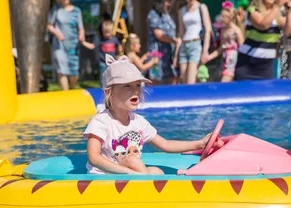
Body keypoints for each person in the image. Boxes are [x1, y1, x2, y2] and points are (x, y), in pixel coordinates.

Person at [84, 55, 223, 175]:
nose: (136, 91)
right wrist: (130, 172)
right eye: (127, 86)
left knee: (156, 171)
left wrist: (200, 144)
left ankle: (149, 186)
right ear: (109, 93)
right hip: (104, 177)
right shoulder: (101, 122)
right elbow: (93, 157)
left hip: (130, 174)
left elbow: (166, 144)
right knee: (132, 159)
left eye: (138, 85)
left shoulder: (138, 122)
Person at [235, 0, 291, 81]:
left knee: (265, 92)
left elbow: (288, 31)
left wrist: (289, 13)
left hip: (266, 64)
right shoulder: (253, 10)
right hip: (248, 62)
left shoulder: (278, 14)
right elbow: (263, 25)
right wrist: (276, 7)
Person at [47, 0, 95, 91]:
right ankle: (65, 93)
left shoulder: (77, 11)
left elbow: (81, 28)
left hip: (73, 45)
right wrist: (57, 33)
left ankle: (72, 89)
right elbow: (49, 26)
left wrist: (81, 34)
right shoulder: (56, 10)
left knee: (74, 72)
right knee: (62, 70)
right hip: (59, 45)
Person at [175, 0, 213, 84]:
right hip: (184, 45)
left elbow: (208, 30)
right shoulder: (182, 10)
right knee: (183, 79)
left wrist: (205, 51)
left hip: (196, 43)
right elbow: (180, 34)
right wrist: (176, 54)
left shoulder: (202, 7)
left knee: (191, 81)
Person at [207, 3, 245, 82]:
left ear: (231, 17)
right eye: (221, 16)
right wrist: (209, 57)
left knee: (223, 83)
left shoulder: (236, 31)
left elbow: (242, 48)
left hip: (233, 61)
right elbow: (221, 48)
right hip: (224, 61)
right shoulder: (223, 30)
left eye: (225, 17)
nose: (222, 18)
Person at [147, 0, 180, 84]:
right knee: (154, 78)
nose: (169, 4)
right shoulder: (153, 14)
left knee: (173, 77)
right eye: (167, 1)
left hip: (169, 54)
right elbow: (158, 34)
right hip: (157, 55)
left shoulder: (166, 14)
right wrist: (174, 41)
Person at [97, 20, 121, 86]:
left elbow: (118, 45)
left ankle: (112, 87)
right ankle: (103, 87)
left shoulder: (114, 39)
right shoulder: (101, 40)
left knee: (112, 76)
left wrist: (119, 53)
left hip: (112, 62)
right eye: (105, 32)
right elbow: (93, 46)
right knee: (103, 77)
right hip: (103, 62)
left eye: (108, 32)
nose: (107, 34)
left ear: (112, 31)